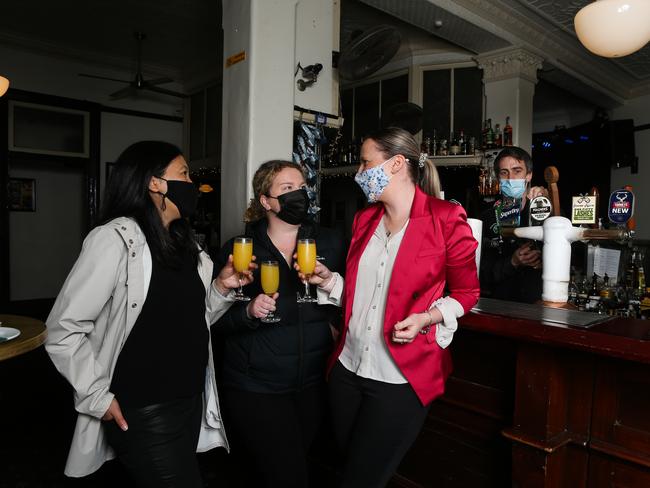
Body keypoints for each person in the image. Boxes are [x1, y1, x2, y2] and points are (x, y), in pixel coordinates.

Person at [45, 141, 254, 487]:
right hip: (142, 408)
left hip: (190, 399)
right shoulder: (114, 240)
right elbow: (62, 329)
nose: (192, 183)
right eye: (184, 173)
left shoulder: (189, 247)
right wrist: (97, 395)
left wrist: (220, 287)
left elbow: (191, 319)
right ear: (155, 183)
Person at [326, 127, 480, 488]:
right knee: (346, 465)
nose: (359, 173)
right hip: (347, 370)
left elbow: (468, 293)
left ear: (396, 164)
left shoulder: (445, 218)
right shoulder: (364, 219)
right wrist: (330, 282)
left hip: (399, 377)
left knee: (361, 479)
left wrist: (429, 316)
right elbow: (367, 293)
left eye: (366, 163)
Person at [213, 160, 346, 488]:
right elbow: (215, 321)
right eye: (287, 189)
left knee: (288, 466)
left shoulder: (330, 242)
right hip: (256, 386)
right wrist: (248, 313)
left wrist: (334, 312)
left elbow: (354, 301)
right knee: (289, 476)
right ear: (265, 201)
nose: (298, 194)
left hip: (313, 383)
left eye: (301, 187)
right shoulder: (240, 249)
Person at [480, 146, 547, 303]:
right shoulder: (487, 217)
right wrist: (513, 262)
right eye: (504, 173)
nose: (510, 178)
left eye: (517, 171)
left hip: (538, 305)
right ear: (498, 178)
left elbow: (566, 250)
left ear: (528, 175)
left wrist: (541, 259)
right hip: (500, 305)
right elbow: (481, 271)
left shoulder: (543, 209)